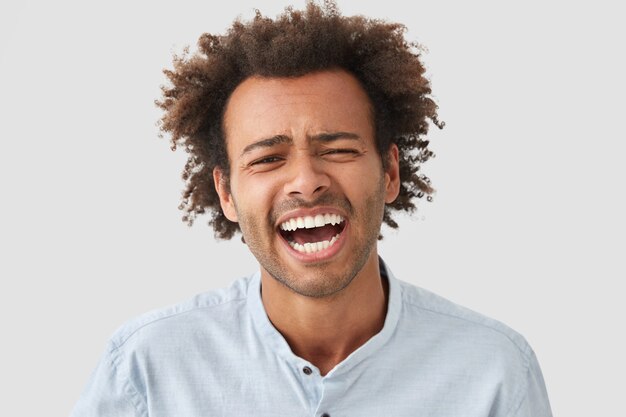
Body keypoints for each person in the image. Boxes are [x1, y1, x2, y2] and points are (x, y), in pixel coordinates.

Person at [71, 2, 552, 416]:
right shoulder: (144, 372)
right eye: (267, 159)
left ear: (389, 173)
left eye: (338, 150)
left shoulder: (495, 372)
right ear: (226, 193)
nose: (306, 181)